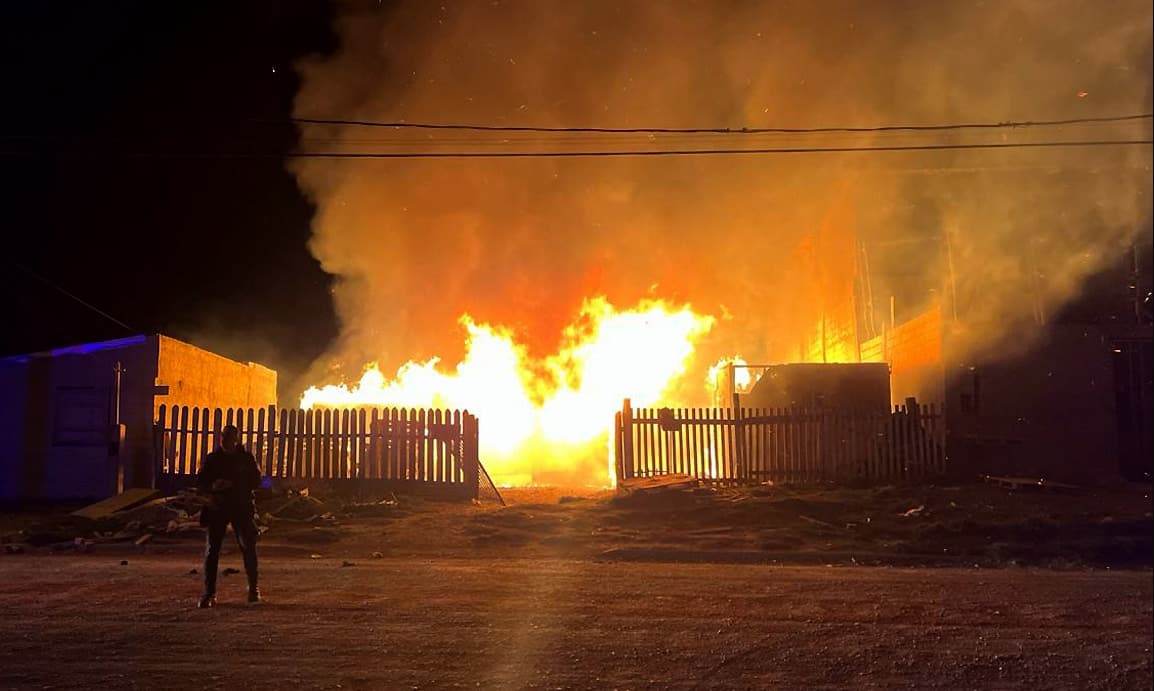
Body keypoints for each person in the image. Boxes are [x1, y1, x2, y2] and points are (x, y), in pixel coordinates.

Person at [195, 424, 262, 608]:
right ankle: (209, 593)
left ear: (236, 440)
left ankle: (253, 588)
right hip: (218, 507)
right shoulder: (213, 459)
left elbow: (256, 480)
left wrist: (233, 484)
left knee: (248, 546)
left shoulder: (245, 459)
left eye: (229, 438)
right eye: (223, 437)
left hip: (240, 506)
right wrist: (213, 487)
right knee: (212, 550)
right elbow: (201, 482)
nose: (225, 441)